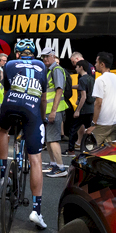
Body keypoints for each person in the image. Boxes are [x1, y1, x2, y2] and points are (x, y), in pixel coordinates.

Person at [0, 39, 47, 229]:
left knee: (3, 131)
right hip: (31, 111)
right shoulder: (42, 65)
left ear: (17, 54)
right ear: (33, 54)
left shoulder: (9, 64)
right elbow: (42, 98)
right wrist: (42, 118)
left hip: (10, 106)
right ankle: (37, 211)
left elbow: (7, 91)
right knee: (35, 160)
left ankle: (3, 173)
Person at [39, 47, 69, 178]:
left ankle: (61, 168)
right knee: (49, 139)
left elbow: (59, 90)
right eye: (43, 57)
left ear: (53, 56)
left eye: (47, 56)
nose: (45, 59)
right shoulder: (50, 70)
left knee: (53, 140)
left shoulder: (56, 70)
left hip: (53, 110)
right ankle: (53, 164)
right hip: (49, 110)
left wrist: (53, 111)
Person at [86, 52, 116, 145]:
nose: (95, 65)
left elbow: (98, 103)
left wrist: (93, 124)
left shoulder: (100, 80)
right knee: (109, 152)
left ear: (102, 64)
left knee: (92, 149)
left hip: (103, 122)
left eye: (96, 62)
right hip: (114, 121)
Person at [67, 59, 94, 153]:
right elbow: (82, 87)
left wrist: (77, 110)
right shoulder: (91, 78)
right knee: (90, 130)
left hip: (83, 110)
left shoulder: (82, 79)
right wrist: (71, 86)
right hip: (91, 109)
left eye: (77, 67)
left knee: (73, 129)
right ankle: (90, 148)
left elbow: (83, 96)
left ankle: (71, 150)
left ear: (81, 67)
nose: (75, 69)